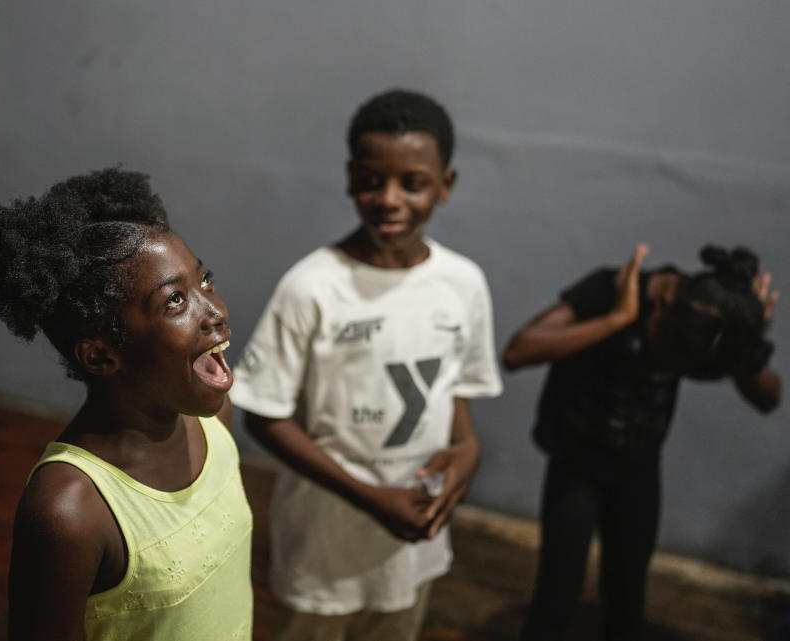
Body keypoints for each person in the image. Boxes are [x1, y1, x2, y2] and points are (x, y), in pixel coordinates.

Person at [229, 89, 503, 641]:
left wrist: (468, 447)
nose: (390, 199)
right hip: (327, 542)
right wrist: (370, 497)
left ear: (444, 186)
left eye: (414, 183)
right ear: (352, 177)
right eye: (373, 180)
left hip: (415, 537)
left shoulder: (463, 283)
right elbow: (262, 415)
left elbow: (453, 387)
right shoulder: (312, 287)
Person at [0, 168, 253, 641]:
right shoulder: (71, 510)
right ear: (100, 354)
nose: (215, 310)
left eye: (205, 281)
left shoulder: (214, 419)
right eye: (176, 301)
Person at [504, 243, 781, 641]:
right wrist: (616, 318)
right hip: (577, 464)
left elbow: (769, 399)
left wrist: (745, 349)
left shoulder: (708, 315)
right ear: (659, 309)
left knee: (628, 595)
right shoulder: (610, 289)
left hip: (638, 467)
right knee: (558, 594)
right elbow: (517, 352)